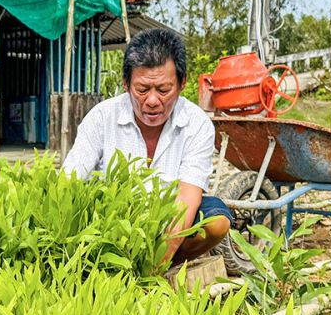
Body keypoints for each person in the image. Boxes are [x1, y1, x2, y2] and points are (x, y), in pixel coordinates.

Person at [63, 28, 232, 265]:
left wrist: (152, 269)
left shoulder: (197, 124)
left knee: (216, 222)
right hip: (112, 220)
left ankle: (170, 263)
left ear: (182, 84)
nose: (152, 101)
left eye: (163, 90)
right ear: (126, 84)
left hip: (169, 215)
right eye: (142, 90)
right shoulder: (102, 117)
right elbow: (69, 180)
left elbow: (186, 198)